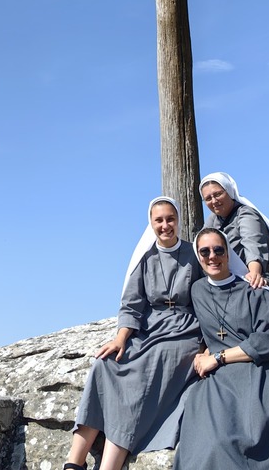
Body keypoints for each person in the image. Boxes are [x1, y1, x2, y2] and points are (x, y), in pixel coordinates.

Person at [63, 197, 203, 470]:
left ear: (178, 220)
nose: (165, 225)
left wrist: (206, 345)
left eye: (170, 219)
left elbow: (207, 297)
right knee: (105, 364)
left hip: (184, 330)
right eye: (159, 220)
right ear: (151, 223)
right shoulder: (145, 256)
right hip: (150, 328)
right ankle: (74, 461)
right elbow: (132, 304)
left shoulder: (194, 253)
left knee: (147, 371)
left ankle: (110, 465)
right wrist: (120, 339)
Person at [173, 228, 269, 470]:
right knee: (209, 444)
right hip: (220, 381)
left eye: (218, 250)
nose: (212, 256)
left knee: (251, 438)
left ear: (228, 254)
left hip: (258, 372)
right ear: (198, 256)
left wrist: (217, 357)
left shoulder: (254, 290)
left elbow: (266, 342)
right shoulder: (197, 290)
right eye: (204, 251)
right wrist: (204, 351)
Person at [199, 171, 269, 293]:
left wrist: (255, 272)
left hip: (256, 280)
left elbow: (253, 243)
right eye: (208, 198)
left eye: (218, 194)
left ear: (229, 191)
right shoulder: (212, 220)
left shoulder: (246, 214)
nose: (214, 201)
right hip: (228, 281)